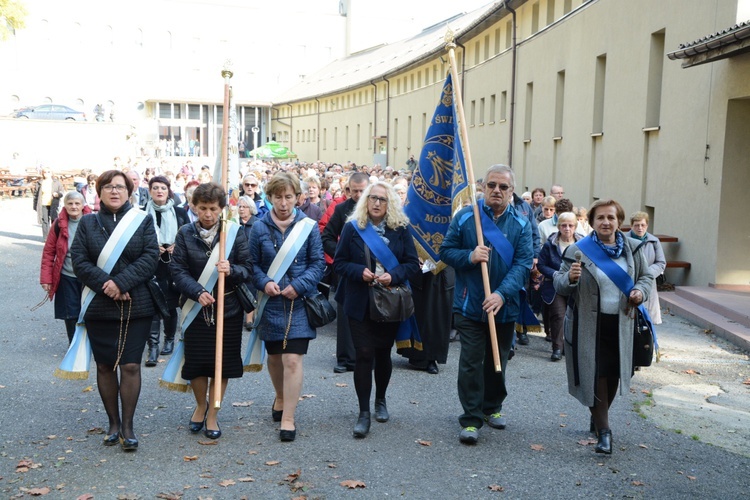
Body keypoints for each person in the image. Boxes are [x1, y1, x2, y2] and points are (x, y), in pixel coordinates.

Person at [439, 164, 533, 445]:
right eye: (492, 185)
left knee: (497, 360)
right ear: (482, 187)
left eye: (503, 187)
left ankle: (492, 406)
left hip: (504, 305)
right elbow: (446, 251)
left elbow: (523, 264)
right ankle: (470, 418)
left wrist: (502, 294)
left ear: (512, 191)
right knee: (470, 362)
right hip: (470, 303)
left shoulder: (521, 223)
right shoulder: (467, 217)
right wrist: (469, 256)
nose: (497, 191)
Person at [553, 200, 652, 454]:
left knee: (615, 374)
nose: (606, 222)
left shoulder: (633, 248)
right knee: (595, 374)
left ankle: (599, 416)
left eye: (611, 217)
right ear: (592, 222)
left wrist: (640, 291)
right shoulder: (578, 250)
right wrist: (570, 278)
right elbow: (559, 284)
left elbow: (645, 277)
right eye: (600, 218)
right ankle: (605, 433)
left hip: (621, 324)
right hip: (588, 324)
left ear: (619, 221)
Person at [71, 170, 159, 451]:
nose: (114, 191)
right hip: (99, 304)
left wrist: (121, 282)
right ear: (99, 192)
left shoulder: (142, 221)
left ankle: (129, 426)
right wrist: (106, 285)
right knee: (105, 365)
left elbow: (150, 257)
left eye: (120, 187)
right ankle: (113, 423)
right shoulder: (87, 223)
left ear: (129, 191)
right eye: (108, 187)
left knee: (131, 364)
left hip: (137, 304)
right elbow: (79, 261)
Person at [334, 181, 420, 438]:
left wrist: (393, 276)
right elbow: (339, 263)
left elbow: (411, 265)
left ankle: (380, 400)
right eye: (372, 198)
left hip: (388, 302)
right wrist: (358, 271)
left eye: (382, 199)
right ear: (365, 201)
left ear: (390, 203)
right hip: (359, 301)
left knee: (383, 354)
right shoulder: (352, 228)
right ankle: (363, 413)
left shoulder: (401, 229)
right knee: (363, 353)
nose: (376, 203)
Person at [171, 182, 253, 440]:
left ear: (222, 209)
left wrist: (232, 270)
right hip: (196, 307)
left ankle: (214, 414)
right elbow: (177, 270)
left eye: (213, 209)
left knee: (222, 365)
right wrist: (196, 291)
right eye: (203, 208)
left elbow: (247, 268)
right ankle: (200, 405)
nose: (208, 214)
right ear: (194, 207)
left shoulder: (234, 233)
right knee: (197, 364)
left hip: (227, 308)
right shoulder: (185, 232)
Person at [249, 172, 325, 442]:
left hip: (299, 303)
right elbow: (252, 265)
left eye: (288, 197)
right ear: (269, 198)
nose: (283, 203)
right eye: (278, 197)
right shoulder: (258, 227)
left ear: (298, 198)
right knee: (274, 358)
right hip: (270, 302)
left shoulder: (309, 226)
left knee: (292, 359)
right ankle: (280, 396)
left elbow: (318, 263)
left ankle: (289, 418)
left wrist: (300, 284)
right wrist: (264, 281)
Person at [320, 172, 370, 373]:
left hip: (372, 272)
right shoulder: (341, 209)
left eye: (362, 190)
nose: (358, 195)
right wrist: (341, 255)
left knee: (370, 315)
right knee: (346, 315)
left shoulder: (379, 208)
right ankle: (346, 359)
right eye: (354, 190)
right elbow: (327, 238)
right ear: (348, 190)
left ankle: (368, 357)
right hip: (348, 271)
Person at [143, 176, 190, 366]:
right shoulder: (142, 214)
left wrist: (176, 246)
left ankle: (169, 339)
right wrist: (152, 247)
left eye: (163, 187)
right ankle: (152, 347)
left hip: (173, 263)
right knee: (152, 305)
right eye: (155, 188)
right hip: (151, 263)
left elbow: (188, 236)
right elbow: (137, 238)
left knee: (170, 305)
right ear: (150, 191)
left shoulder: (179, 212)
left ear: (168, 190)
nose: (159, 191)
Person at [40, 191, 92, 343]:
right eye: (70, 203)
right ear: (65, 205)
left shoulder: (93, 221)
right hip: (67, 275)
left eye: (77, 203)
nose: (74, 206)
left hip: (88, 276)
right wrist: (46, 279)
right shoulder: (58, 223)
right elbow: (49, 252)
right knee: (71, 314)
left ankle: (90, 344)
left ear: (83, 205)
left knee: (90, 311)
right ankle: (74, 345)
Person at [537, 212, 581, 360]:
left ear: (575, 227)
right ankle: (557, 347)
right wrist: (555, 274)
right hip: (554, 285)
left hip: (576, 286)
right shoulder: (550, 244)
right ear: (558, 227)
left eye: (570, 225)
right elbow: (541, 265)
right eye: (564, 225)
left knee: (575, 316)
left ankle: (570, 347)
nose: (567, 228)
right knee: (558, 315)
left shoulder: (583, 244)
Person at [629, 212, 666, 325]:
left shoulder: (654, 241)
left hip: (648, 282)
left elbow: (661, 263)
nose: (640, 228)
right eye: (636, 225)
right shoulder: (625, 240)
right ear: (631, 226)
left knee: (647, 320)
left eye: (642, 225)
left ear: (647, 225)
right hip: (630, 281)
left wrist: (647, 273)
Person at [34, 168, 65, 241]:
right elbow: (35, 195)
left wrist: (57, 194)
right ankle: (46, 237)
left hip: (53, 203)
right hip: (43, 203)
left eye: (48, 172)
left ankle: (55, 236)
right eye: (45, 172)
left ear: (51, 173)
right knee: (45, 221)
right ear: (43, 173)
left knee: (54, 220)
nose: (47, 173)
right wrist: (35, 205)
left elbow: (62, 192)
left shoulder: (56, 182)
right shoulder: (39, 183)